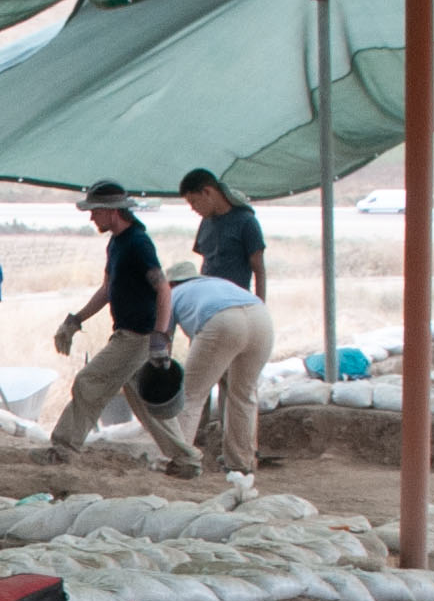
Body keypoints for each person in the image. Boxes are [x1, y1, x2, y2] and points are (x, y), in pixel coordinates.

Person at [49, 183, 203, 476]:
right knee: (145, 403)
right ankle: (186, 460)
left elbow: (163, 289)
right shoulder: (116, 244)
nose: (92, 217)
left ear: (112, 211)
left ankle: (63, 449)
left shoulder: (138, 243)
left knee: (88, 381)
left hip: (138, 335)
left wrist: (159, 336)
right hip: (130, 333)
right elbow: (107, 289)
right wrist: (75, 320)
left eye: (95, 211)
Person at [167, 260, 275, 480]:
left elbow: (164, 340)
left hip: (222, 321)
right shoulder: (217, 283)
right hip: (261, 319)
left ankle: (181, 461)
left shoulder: (171, 295)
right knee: (244, 394)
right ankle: (241, 463)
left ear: (171, 283)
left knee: (190, 395)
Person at [181, 169, 265, 296]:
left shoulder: (246, 221)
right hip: (208, 299)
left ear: (207, 192)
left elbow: (259, 270)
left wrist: (260, 304)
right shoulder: (205, 222)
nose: (192, 208)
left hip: (236, 301)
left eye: (193, 201)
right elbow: (207, 262)